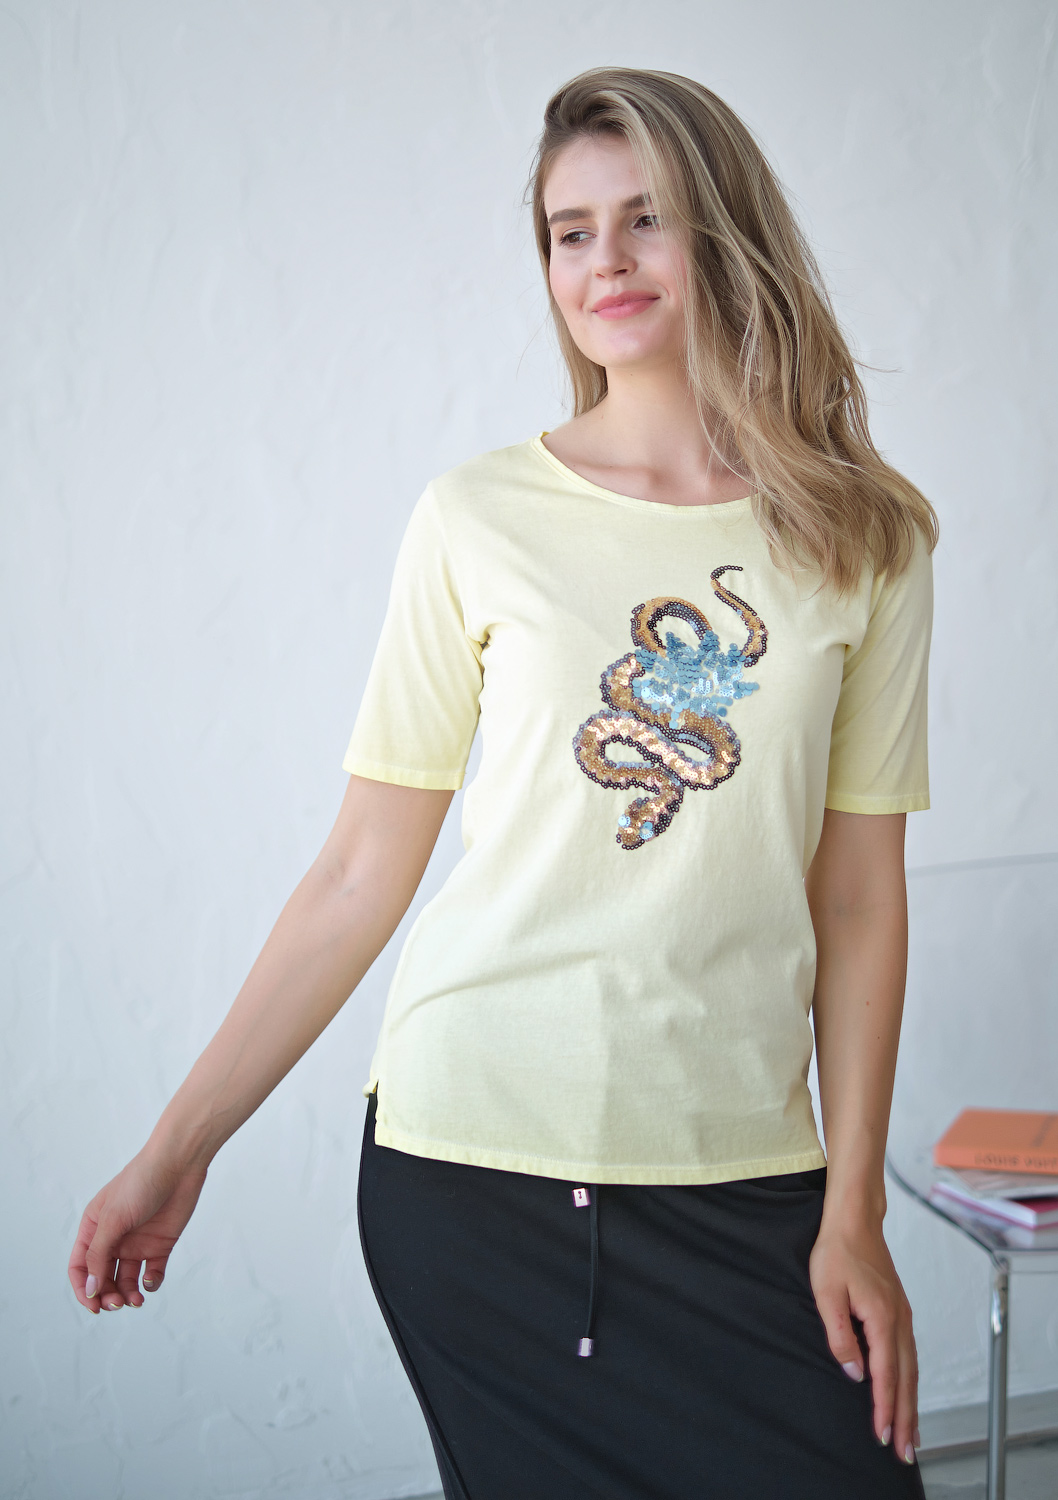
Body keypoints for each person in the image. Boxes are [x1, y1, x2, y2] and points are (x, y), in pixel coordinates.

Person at [69, 67, 937, 1499]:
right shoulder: (476, 518)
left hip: (741, 1162)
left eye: (646, 218)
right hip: (475, 1168)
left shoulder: (865, 537)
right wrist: (179, 1149)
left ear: (724, 233)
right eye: (568, 232)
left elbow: (858, 904)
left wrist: (854, 1211)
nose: (605, 262)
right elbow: (360, 872)